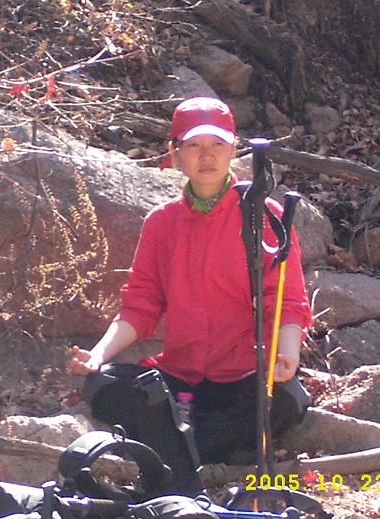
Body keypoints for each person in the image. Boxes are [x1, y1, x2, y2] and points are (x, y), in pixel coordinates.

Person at [68, 97, 312, 494]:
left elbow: (286, 300)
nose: (207, 156)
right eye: (194, 145)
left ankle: (171, 458)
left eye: (217, 144)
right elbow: (141, 304)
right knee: (103, 384)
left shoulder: (263, 216)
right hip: (179, 379)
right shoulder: (161, 223)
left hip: (242, 376)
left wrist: (287, 354)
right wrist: (97, 355)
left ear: (234, 149)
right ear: (175, 152)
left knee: (286, 398)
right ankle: (196, 457)